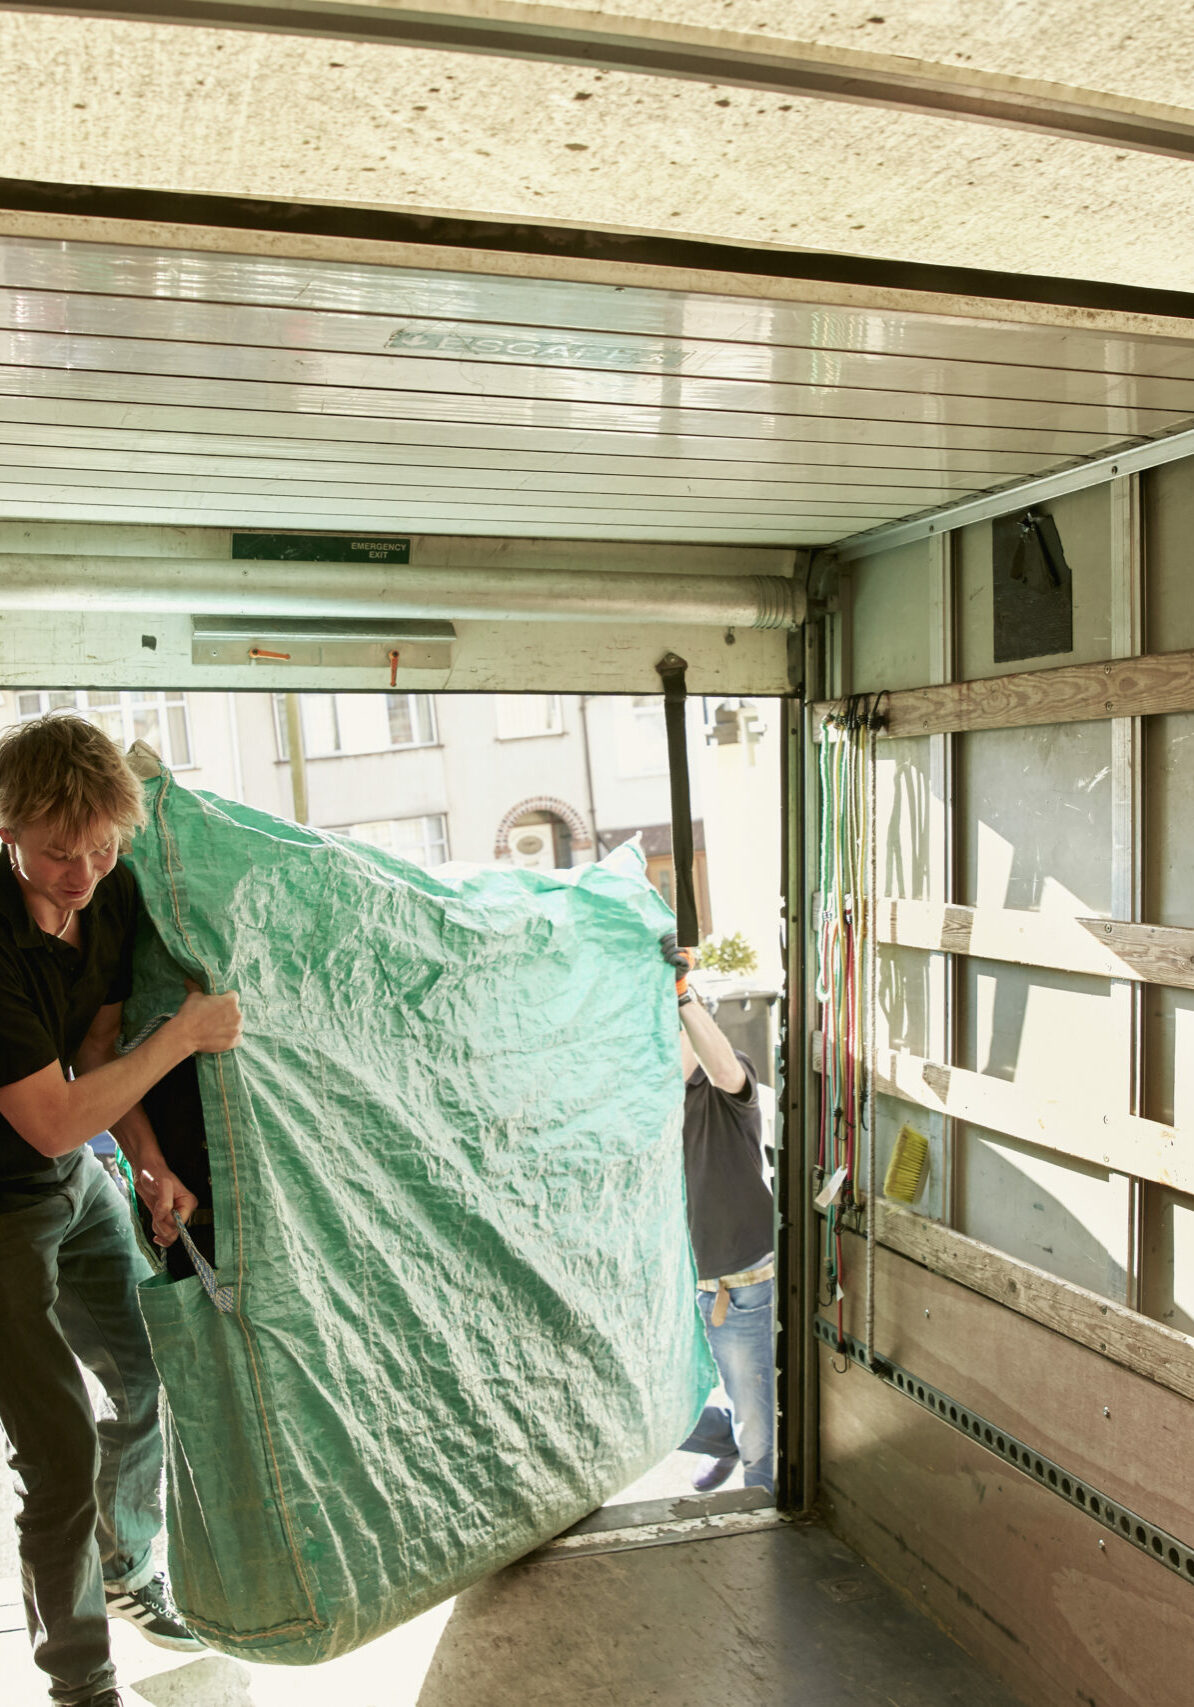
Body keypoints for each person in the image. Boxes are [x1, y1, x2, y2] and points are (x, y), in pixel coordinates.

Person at [0, 713, 243, 1707]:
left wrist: (145, 1163)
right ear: (7, 828)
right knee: (56, 1453)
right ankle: (81, 1683)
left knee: (148, 1375)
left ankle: (125, 1571)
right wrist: (185, 1035)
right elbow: (53, 1120)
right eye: (60, 854)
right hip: (3, 1202)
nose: (82, 876)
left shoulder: (106, 901)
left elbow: (97, 1057)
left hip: (72, 1183)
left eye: (101, 850)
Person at [668, 947, 775, 1495]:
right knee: (649, 1410)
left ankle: (763, 1516)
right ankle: (722, 1438)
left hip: (740, 1281)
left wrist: (683, 995)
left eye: (680, 1027)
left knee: (761, 1436)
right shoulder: (648, 1103)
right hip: (678, 1284)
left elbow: (723, 1066)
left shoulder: (726, 1090)